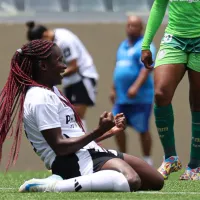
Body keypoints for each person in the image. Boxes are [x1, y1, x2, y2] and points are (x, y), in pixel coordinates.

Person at [0, 40, 164, 192]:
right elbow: (60, 146)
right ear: (43, 66)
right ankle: (55, 185)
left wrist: (109, 131)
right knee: (131, 180)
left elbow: (72, 136)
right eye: (59, 60)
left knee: (156, 181)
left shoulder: (52, 91)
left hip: (87, 152)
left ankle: (66, 180)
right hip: (71, 160)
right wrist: (98, 131)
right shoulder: (39, 98)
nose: (64, 66)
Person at [141, 0, 200, 180]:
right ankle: (170, 158)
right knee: (160, 93)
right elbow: (159, 5)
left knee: (198, 102)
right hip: (174, 38)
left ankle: (195, 166)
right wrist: (146, 44)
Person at [25, 21, 99, 131]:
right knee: (68, 116)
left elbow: (74, 67)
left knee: (77, 116)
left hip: (82, 77)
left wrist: (49, 77)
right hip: (70, 81)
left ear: (45, 35)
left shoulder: (64, 39)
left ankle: (84, 144)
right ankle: (75, 143)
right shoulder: (53, 41)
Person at [110, 16, 156, 166]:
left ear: (141, 28)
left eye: (134, 26)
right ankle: (124, 157)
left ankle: (147, 160)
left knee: (143, 129)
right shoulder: (122, 46)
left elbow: (146, 69)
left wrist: (135, 86)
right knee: (117, 126)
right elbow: (118, 69)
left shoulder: (144, 46)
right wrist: (113, 89)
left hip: (140, 98)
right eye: (129, 25)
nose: (131, 28)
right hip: (122, 98)